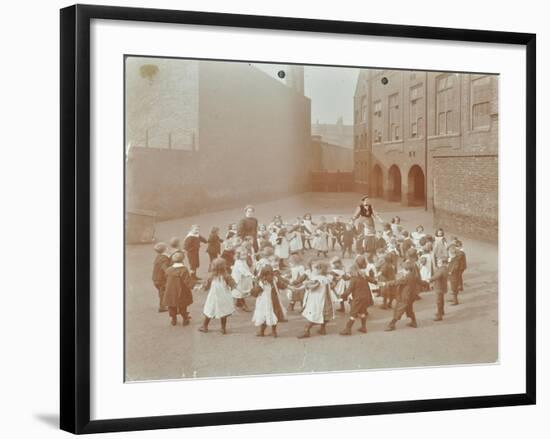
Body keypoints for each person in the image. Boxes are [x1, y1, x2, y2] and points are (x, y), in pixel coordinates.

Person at [383, 261, 426, 331]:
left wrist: (386, 283)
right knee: (409, 309)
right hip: (411, 296)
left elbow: (396, 282)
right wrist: (427, 283)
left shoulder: (406, 278)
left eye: (403, 269)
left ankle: (392, 324)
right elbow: (420, 282)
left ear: (407, 270)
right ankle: (413, 322)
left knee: (398, 310)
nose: (402, 270)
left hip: (404, 297)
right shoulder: (414, 276)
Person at [339, 256, 377, 335]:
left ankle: (348, 329)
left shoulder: (354, 279)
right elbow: (372, 280)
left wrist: (343, 295)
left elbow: (349, 290)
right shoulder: (363, 276)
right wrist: (376, 282)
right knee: (362, 312)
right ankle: (363, 327)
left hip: (358, 298)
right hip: (366, 297)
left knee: (353, 313)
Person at [297, 261, 335, 338]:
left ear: (319, 270)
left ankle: (307, 331)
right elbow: (332, 284)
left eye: (314, 269)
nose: (313, 271)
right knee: (324, 315)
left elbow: (313, 286)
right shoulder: (326, 278)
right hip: (325, 300)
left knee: (314, 315)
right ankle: (322, 329)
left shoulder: (317, 279)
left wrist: (305, 284)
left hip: (318, 300)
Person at [199, 258, 236, 334]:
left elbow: (206, 285)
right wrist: (233, 287)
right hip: (224, 296)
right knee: (223, 311)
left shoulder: (212, 276)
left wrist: (203, 287)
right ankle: (223, 328)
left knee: (210, 310)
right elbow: (233, 284)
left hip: (213, 297)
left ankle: (204, 326)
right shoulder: (227, 276)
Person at [250, 265, 288, 337]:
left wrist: (251, 291)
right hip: (274, 301)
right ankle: (274, 332)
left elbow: (255, 292)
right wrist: (287, 285)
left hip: (264, 303)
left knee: (264, 316)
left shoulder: (262, 282)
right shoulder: (274, 280)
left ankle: (262, 332)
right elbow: (282, 285)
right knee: (273, 315)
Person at [163, 252, 193, 326]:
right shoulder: (184, 269)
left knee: (171, 306)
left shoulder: (169, 269)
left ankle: (173, 319)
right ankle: (185, 319)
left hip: (171, 291)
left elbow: (165, 277)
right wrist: (193, 285)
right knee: (183, 307)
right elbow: (187, 281)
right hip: (181, 291)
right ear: (183, 260)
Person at [151, 242, 170, 312]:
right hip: (161, 279)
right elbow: (165, 268)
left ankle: (163, 305)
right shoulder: (164, 258)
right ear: (165, 249)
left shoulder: (158, 257)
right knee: (163, 292)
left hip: (155, 278)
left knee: (161, 292)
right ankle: (162, 307)